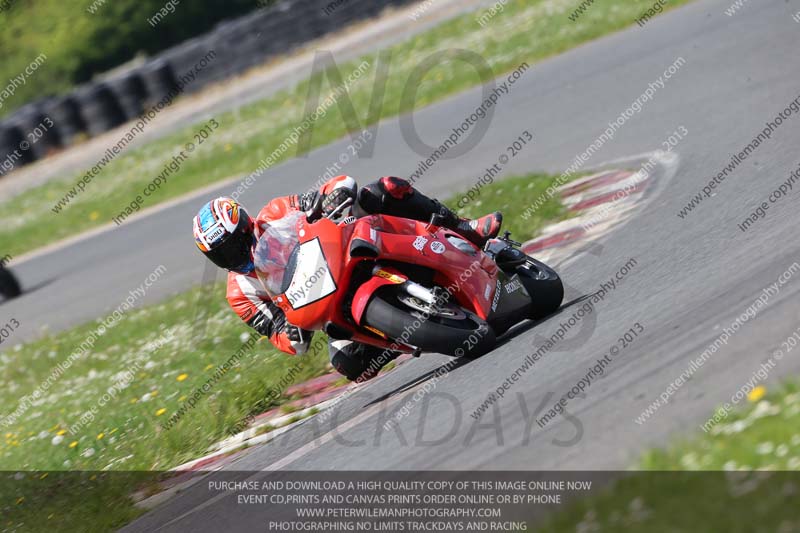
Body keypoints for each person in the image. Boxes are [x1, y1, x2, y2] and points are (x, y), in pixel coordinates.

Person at [192, 176, 502, 381]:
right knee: (349, 364)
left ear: (246, 226)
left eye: (233, 247)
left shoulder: (275, 212)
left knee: (382, 189)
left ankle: (464, 228)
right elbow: (280, 337)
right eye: (221, 256)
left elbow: (330, 190)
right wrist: (289, 333)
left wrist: (333, 197)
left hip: (345, 253)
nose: (232, 259)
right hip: (328, 304)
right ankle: (402, 333)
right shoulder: (240, 293)